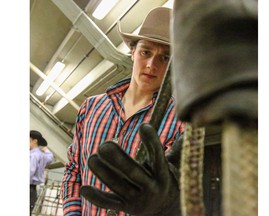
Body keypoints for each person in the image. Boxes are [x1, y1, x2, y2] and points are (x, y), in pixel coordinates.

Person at [61, 7, 185, 216]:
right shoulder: (91, 107)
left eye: (164, 58)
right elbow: (73, 169)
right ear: (132, 52)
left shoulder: (179, 121)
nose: (151, 65)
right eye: (146, 52)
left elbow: (179, 188)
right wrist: (73, 213)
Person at [30, 130, 54, 215]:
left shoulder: (33, 155)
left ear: (34, 140)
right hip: (33, 190)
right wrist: (46, 150)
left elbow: (30, 172)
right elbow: (50, 158)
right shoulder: (42, 155)